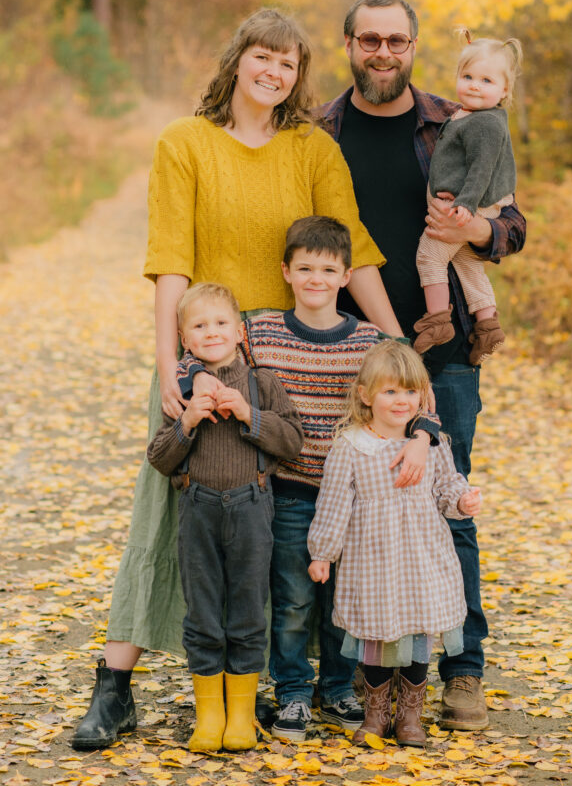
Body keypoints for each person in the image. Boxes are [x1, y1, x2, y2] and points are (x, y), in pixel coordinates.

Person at [71, 8, 402, 751]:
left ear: (297, 76)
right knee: (162, 517)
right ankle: (114, 685)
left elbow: (358, 254)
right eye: (263, 56)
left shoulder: (311, 148)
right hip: (202, 356)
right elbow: (171, 263)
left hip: (282, 368)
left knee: (270, 535)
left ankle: (264, 689)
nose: (274, 72)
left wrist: (397, 344)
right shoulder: (183, 144)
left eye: (289, 64)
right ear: (237, 61)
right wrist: (170, 371)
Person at [318, 0, 526, 732]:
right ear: (348, 43)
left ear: (414, 46)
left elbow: (512, 225)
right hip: (349, 353)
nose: (383, 52)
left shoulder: (459, 115)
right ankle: (350, 678)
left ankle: (461, 675)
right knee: (345, 510)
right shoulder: (321, 132)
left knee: (449, 510)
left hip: (447, 355)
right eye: (368, 40)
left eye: (396, 40)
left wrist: (475, 224)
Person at [233, 215, 441, 742]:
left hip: (361, 498)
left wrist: (422, 437)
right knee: (295, 596)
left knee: (345, 600)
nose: (316, 279)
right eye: (305, 268)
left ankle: (338, 687)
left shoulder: (370, 342)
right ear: (286, 271)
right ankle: (294, 694)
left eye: (328, 269)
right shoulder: (260, 333)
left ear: (347, 275)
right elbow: (214, 365)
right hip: (293, 490)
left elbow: (421, 401)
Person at [146, 282, 302, 752]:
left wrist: (251, 416)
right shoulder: (179, 394)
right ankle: (208, 713)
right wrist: (188, 422)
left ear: (239, 331)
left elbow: (293, 441)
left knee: (249, 609)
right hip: (198, 509)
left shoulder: (261, 384)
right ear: (183, 339)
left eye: (219, 323)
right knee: (203, 612)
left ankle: (241, 713)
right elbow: (159, 457)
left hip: (251, 507)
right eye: (198, 326)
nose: (210, 332)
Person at [307, 341, 482, 747]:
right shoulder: (351, 447)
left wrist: (462, 499)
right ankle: (376, 714)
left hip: (424, 558)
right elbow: (334, 505)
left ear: (422, 395)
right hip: (374, 563)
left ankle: (410, 717)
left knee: (419, 635)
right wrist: (323, 553)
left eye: (409, 392)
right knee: (377, 639)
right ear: (366, 395)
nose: (401, 401)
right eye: (390, 391)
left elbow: (446, 487)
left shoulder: (432, 445)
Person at [413, 33, 523, 362]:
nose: (474, 85)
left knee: (430, 256)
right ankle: (488, 326)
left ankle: (437, 321)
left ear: (504, 90)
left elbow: (482, 168)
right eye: (467, 77)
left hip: (472, 205)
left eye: (486, 80)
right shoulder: (465, 115)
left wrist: (467, 204)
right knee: (467, 265)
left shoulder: (486, 124)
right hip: (466, 202)